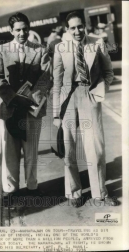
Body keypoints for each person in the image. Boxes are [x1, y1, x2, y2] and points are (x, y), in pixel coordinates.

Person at [53, 12, 116, 207]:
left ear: (85, 26)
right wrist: (56, 113)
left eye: (80, 26)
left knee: (95, 148)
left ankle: (100, 193)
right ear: (67, 30)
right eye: (73, 28)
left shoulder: (97, 43)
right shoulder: (60, 48)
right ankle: (74, 192)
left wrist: (99, 91)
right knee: (69, 148)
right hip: (68, 97)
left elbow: (108, 73)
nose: (77, 31)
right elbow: (56, 82)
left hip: (89, 96)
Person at [0, 12, 50, 199]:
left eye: (25, 29)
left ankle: (32, 186)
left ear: (29, 28)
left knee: (31, 149)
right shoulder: (0, 51)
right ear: (11, 31)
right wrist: (14, 99)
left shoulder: (40, 50)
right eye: (18, 30)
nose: (22, 33)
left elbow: (45, 78)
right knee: (10, 150)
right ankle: (11, 189)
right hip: (10, 107)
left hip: (32, 108)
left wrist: (31, 99)